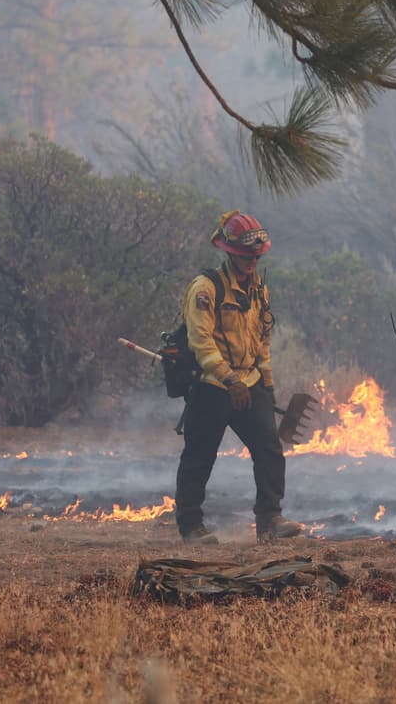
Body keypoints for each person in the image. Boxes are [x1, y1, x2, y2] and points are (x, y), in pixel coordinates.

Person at [174, 210, 302, 545]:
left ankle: (270, 519)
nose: (252, 262)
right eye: (246, 257)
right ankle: (191, 526)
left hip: (250, 382)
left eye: (256, 257)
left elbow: (262, 341)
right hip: (212, 385)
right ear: (229, 253)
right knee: (199, 457)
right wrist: (230, 381)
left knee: (269, 450)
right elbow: (200, 342)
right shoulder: (206, 289)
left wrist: (267, 385)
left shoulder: (259, 289)